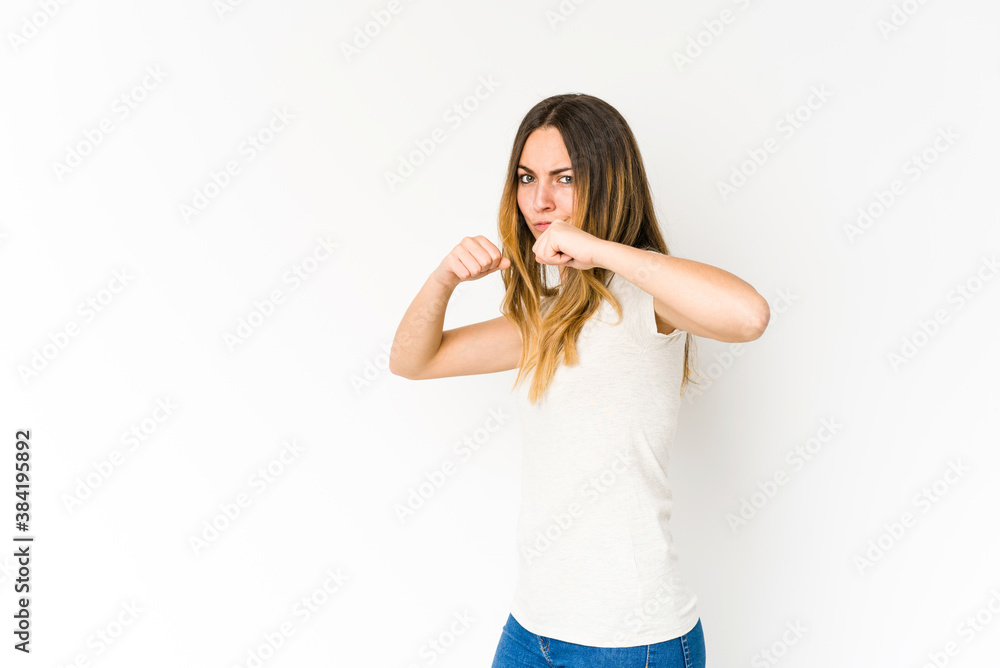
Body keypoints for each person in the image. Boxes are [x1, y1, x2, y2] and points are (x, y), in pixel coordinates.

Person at [389, 93, 770, 668]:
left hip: (632, 641)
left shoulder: (647, 300)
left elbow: (749, 316)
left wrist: (600, 251)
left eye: (563, 177)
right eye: (527, 177)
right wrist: (443, 278)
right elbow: (412, 361)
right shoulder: (545, 316)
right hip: (532, 629)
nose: (539, 200)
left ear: (608, 180)